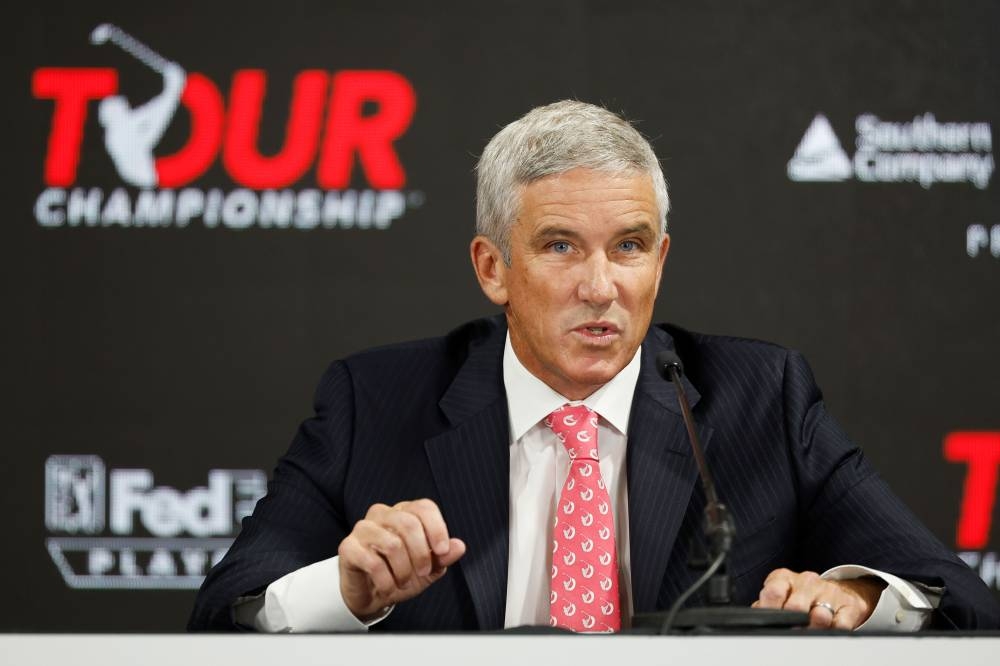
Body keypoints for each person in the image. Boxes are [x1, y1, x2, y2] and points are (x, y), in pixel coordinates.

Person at [188, 100, 1000, 633]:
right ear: (491, 268)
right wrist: (347, 592)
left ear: (662, 260)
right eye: (559, 247)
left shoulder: (761, 401)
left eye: (630, 247)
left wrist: (862, 599)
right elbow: (221, 617)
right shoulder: (377, 400)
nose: (601, 287)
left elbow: (962, 600)